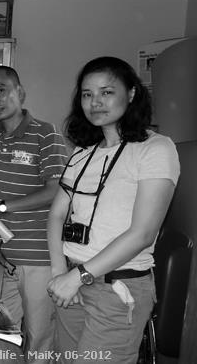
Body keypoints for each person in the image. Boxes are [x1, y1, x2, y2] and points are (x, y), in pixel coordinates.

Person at [47, 57, 179, 363]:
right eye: (87, 94)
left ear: (131, 93)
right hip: (71, 282)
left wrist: (77, 277)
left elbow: (143, 233)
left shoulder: (156, 148)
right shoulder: (82, 152)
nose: (95, 102)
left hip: (117, 288)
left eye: (106, 92)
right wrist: (59, 273)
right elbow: (56, 214)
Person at [0, 65, 68, 363]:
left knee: (38, 339)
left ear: (19, 93)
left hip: (38, 258)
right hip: (4, 257)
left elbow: (56, 190)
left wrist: (0, 206)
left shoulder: (45, 133)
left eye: (1, 90)